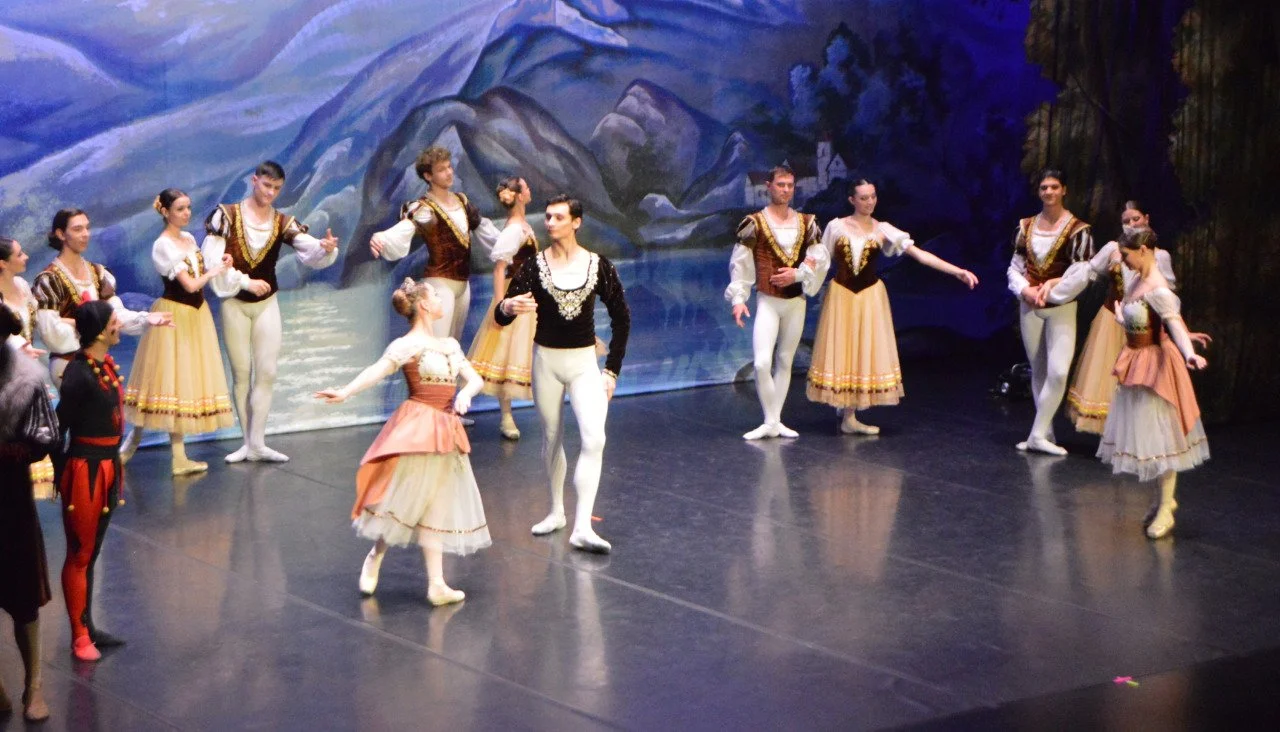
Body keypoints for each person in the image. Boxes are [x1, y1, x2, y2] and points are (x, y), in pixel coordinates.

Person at [315, 279, 490, 606]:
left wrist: (465, 393)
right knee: (404, 499)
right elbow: (376, 371)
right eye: (435, 295)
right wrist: (345, 391)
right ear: (423, 304)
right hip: (419, 425)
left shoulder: (450, 345)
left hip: (446, 430)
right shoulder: (405, 346)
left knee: (436, 503)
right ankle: (376, 553)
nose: (440, 299)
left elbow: (475, 379)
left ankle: (436, 584)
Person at [496, 194, 630, 553]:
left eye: (558, 217)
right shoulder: (534, 267)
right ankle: (557, 511)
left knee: (594, 439)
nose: (550, 223)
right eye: (548, 217)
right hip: (547, 363)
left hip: (585, 364)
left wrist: (612, 370)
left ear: (576, 222)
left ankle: (582, 525)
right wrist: (508, 305)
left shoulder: (598, 266)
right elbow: (501, 312)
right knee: (552, 437)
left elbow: (621, 317)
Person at [805, 178, 978, 434]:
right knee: (843, 347)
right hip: (842, 295)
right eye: (863, 198)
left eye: (873, 196)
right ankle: (846, 412)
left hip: (869, 296)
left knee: (862, 349)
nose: (869, 202)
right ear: (852, 200)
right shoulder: (836, 227)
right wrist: (799, 278)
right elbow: (819, 259)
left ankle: (850, 416)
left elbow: (919, 254)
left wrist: (957, 271)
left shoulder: (882, 229)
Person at [202, 161, 340, 463]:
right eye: (266, 186)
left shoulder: (281, 222)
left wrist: (325, 248)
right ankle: (246, 442)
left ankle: (258, 441)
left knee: (267, 372)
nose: (271, 193)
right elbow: (211, 261)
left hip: (267, 304)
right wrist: (245, 282)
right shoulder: (226, 216)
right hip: (235, 303)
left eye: (277, 188)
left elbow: (309, 249)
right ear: (254, 181)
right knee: (242, 374)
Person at [1043, 202, 1197, 433]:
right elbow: (1087, 272)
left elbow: (1168, 306)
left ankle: (1138, 433)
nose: (1131, 225)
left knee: (1140, 378)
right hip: (1113, 321)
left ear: (1146, 218)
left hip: (1143, 326)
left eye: (1135, 219)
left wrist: (1184, 334)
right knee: (1111, 377)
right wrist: (1055, 283)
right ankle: (1117, 433)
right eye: (1126, 221)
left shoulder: (1158, 257)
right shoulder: (1114, 249)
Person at [1097, 229, 1209, 538]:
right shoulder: (1135, 281)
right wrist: (1122, 319)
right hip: (1136, 360)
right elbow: (1142, 321)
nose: (1124, 261)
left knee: (1162, 438)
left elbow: (1171, 321)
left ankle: (1166, 508)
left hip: (1156, 365)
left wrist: (1189, 352)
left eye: (1127, 255)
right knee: (1147, 436)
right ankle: (1163, 500)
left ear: (1144, 250)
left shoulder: (1158, 288)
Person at [119, 189, 237, 474]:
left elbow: (199, 274)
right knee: (166, 383)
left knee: (183, 382)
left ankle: (177, 457)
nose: (187, 213)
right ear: (166, 212)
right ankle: (136, 438)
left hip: (196, 316)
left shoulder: (188, 239)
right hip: (175, 314)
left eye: (188, 208)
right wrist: (213, 273)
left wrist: (220, 266)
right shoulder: (163, 246)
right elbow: (191, 285)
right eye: (180, 209)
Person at [725, 165, 823, 440]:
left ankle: (774, 420)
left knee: (785, 360)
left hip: (795, 301)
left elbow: (818, 258)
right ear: (769, 186)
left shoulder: (807, 222)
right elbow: (740, 264)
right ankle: (769, 420)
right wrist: (739, 298)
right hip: (768, 300)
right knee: (761, 363)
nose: (786, 189)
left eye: (790, 185)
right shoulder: (754, 223)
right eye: (781, 184)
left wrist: (799, 273)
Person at [56, 300, 128, 662]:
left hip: (107, 466)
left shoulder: (104, 366)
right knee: (80, 554)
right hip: (86, 470)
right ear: (101, 331)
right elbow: (59, 426)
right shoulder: (79, 374)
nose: (120, 325)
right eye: (115, 321)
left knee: (92, 552)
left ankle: (88, 623)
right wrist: (63, 474)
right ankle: (79, 634)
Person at [369, 146, 501, 340]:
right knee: (436, 347)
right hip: (439, 284)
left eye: (449, 167)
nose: (449, 173)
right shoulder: (424, 208)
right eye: (442, 170)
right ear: (428, 176)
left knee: (453, 348)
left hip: (463, 285)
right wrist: (381, 238)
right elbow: (405, 228)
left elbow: (486, 230)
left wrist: (515, 244)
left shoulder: (462, 201)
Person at [1006, 169, 1094, 455]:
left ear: (1064, 190)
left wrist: (1051, 292)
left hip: (1061, 308)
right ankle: (1044, 432)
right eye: (1044, 187)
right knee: (1040, 370)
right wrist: (1025, 290)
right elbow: (1015, 266)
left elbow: (1081, 273)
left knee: (1058, 372)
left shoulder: (1078, 229)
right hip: (1030, 306)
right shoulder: (1026, 226)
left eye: (1054, 187)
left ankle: (1037, 435)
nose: (1049, 192)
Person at [32, 209, 172, 385]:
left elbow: (115, 314)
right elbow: (51, 331)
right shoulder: (49, 280)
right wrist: (94, 325)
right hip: (69, 364)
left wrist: (144, 319)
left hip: (99, 359)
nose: (85, 234)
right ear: (60, 234)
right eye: (77, 229)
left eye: (87, 228)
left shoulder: (98, 272)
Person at [0, 306, 54, 721]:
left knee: (23, 597)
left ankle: (33, 685)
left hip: (10, 498)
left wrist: (15, 449)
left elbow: (46, 434)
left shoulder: (26, 381)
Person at [466, 176, 538, 439]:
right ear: (519, 195)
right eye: (526, 187)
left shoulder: (522, 226)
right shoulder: (513, 230)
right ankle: (506, 416)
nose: (530, 190)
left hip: (529, 294)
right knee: (505, 352)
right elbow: (499, 269)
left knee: (527, 353)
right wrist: (500, 305)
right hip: (513, 295)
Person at [0, 236, 55, 496]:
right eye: (19, 255)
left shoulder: (22, 285)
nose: (26, 258)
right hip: (7, 369)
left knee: (39, 424)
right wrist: (18, 347)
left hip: (31, 366)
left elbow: (36, 320)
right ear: (3, 263)